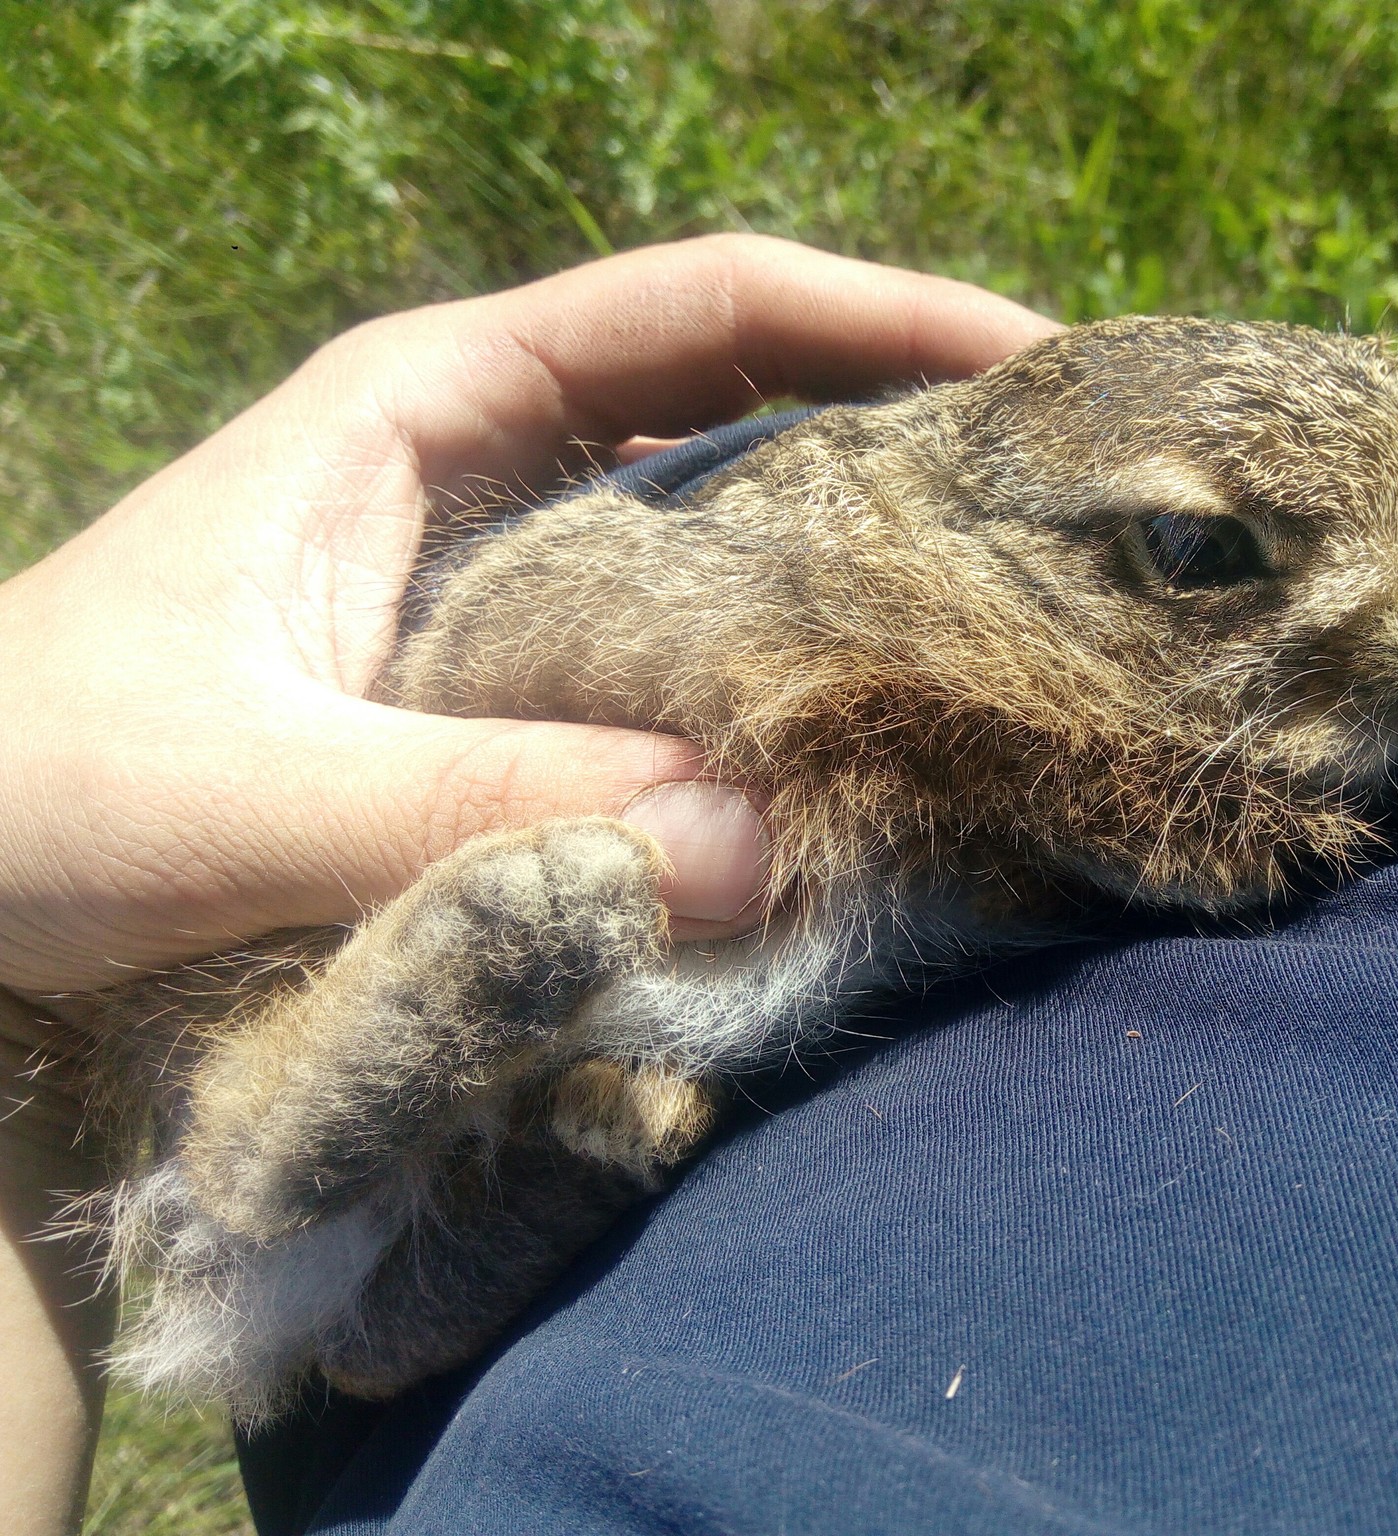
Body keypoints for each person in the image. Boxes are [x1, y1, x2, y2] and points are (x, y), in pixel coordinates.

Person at [10, 236, 1398, 1536]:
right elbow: (993, 775)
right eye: (1197, 556)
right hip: (403, 1049)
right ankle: (326, 1115)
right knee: (368, 1179)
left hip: (561, 1217)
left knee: (516, 1212)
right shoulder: (844, 590)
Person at [0, 234, 1059, 1536]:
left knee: (401, 1283)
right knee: (320, 1208)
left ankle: (434, 1183)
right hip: (334, 1069)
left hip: (462, 1252)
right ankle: (333, 1130)